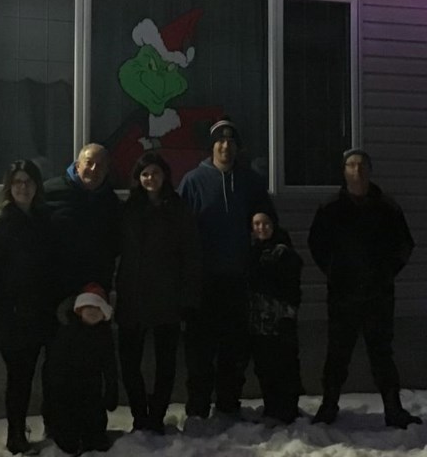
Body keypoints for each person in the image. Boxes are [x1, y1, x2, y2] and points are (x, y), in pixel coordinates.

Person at [307, 148, 422, 428]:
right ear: (344, 171)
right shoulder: (331, 208)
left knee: (382, 354)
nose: (357, 171)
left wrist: (385, 274)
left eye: (362, 166)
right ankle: (328, 406)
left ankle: (393, 409)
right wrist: (335, 273)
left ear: (370, 171)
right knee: (337, 354)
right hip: (343, 295)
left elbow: (405, 245)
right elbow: (316, 244)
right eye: (351, 165)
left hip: (378, 295)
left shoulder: (387, 208)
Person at [177, 117, 277, 419]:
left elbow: (268, 223)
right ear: (211, 147)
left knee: (233, 350)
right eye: (220, 141)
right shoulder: (193, 181)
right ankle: (197, 409)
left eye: (231, 142)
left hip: (238, 279)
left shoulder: (250, 182)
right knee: (200, 351)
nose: (225, 147)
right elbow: (179, 232)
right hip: (203, 281)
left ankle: (228, 405)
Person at [0, 160, 57, 454]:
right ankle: (15, 434)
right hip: (12, 319)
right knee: (19, 379)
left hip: (39, 315)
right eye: (18, 181)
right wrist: (4, 312)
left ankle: (49, 425)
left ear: (37, 186)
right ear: (10, 186)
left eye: (29, 181)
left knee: (36, 373)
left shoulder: (41, 218)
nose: (23, 187)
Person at [115, 152, 201, 434]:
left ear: (165, 176)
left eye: (155, 173)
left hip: (168, 296)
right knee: (129, 363)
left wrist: (187, 297)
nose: (150, 178)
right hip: (133, 295)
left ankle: (157, 416)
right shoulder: (129, 209)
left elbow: (190, 254)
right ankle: (140, 414)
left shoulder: (178, 209)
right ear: (138, 179)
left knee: (166, 364)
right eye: (145, 174)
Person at [45, 283, 120, 454]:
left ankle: (94, 437)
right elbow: (56, 362)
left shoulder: (104, 335)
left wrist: (111, 388)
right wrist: (57, 384)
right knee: (68, 423)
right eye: (88, 308)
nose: (93, 312)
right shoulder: (68, 332)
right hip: (67, 387)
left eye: (98, 309)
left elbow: (109, 364)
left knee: (94, 418)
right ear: (79, 310)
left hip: (92, 386)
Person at [43, 143, 122, 298]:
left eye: (100, 166)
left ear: (106, 171)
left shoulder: (111, 202)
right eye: (89, 163)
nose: (93, 169)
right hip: (56, 286)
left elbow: (115, 243)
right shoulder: (50, 192)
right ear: (77, 165)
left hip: (94, 288)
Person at [247, 211, 304, 424]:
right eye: (256, 224)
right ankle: (271, 407)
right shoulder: (252, 252)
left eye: (266, 223)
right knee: (264, 365)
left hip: (280, 320)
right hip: (258, 320)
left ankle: (288, 409)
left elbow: (293, 290)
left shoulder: (284, 253)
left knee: (285, 364)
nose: (261, 228)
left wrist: (288, 315)